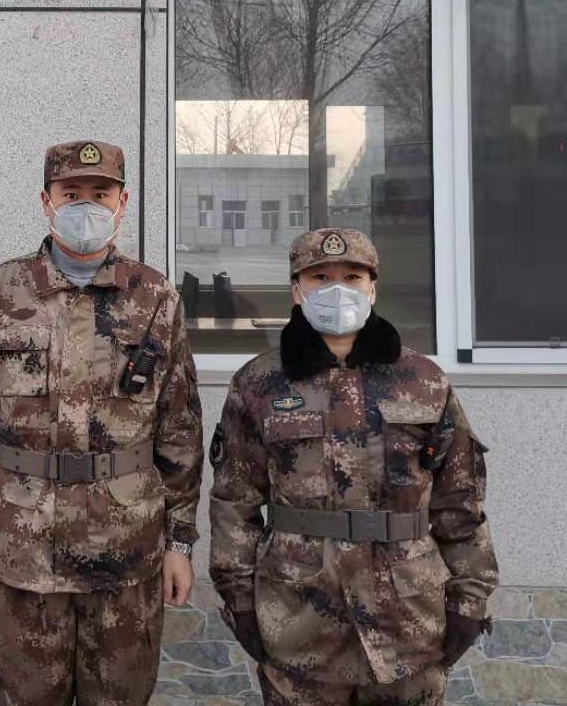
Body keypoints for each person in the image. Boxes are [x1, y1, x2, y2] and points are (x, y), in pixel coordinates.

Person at [0, 139, 204, 706]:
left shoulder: (156, 297)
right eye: (71, 193)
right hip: (25, 545)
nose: (86, 205)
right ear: (47, 201)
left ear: (122, 203)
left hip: (128, 547)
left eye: (100, 193)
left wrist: (180, 540)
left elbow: (179, 428)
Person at [209, 227, 497, 706]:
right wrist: (238, 597)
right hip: (299, 618)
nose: (337, 289)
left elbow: (460, 500)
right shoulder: (258, 383)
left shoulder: (423, 381)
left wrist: (470, 596)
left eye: (352, 276)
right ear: (296, 290)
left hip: (408, 620)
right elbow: (234, 503)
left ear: (372, 288)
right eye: (320, 277)